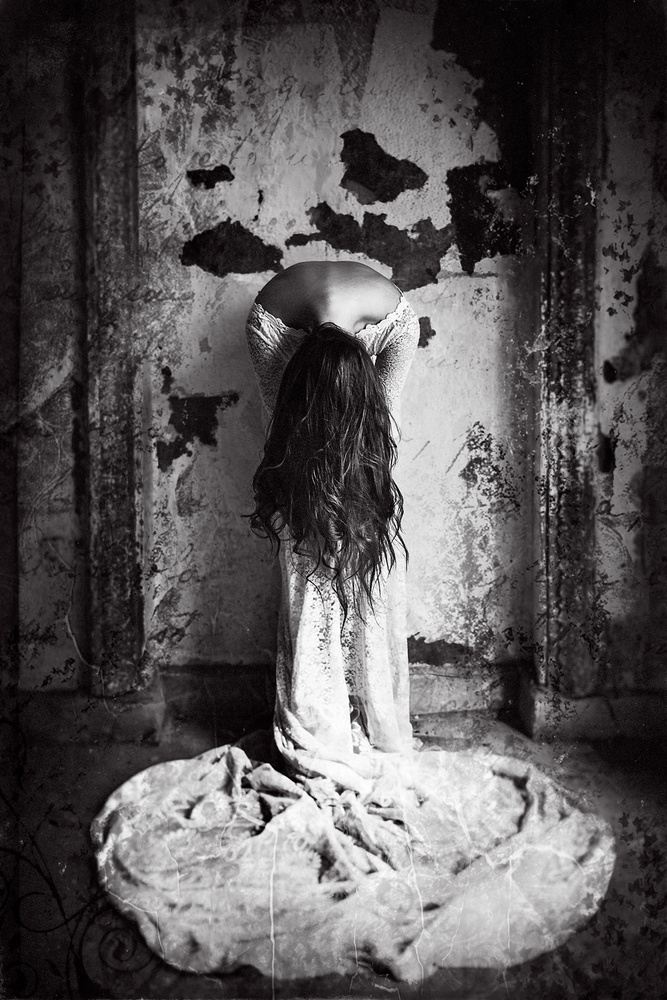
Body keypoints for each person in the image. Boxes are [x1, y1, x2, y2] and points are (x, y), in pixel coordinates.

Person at [245, 260, 420, 790]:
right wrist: (315, 525)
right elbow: (282, 442)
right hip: (288, 353)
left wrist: (359, 528)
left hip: (374, 350)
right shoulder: (267, 327)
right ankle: (318, 720)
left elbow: (379, 435)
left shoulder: (398, 326)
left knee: (365, 543)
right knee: (307, 551)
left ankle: (368, 708)